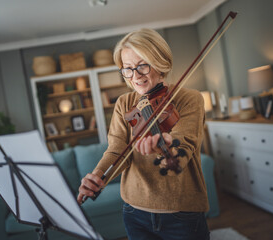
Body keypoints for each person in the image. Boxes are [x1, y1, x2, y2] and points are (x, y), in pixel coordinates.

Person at [77, 28, 210, 240]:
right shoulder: (125, 103)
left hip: (181, 212)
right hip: (134, 211)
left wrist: (165, 148)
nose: (135, 76)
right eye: (127, 68)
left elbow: (184, 146)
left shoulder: (188, 99)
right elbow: (117, 150)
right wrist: (99, 176)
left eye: (142, 66)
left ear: (160, 62)